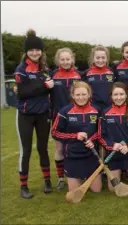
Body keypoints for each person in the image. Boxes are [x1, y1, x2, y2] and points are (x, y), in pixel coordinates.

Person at [14, 29, 54, 199]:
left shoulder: (44, 68)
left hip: (43, 114)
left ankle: (47, 181)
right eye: (31, 50)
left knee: (43, 148)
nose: (35, 52)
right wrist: (43, 87)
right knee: (26, 150)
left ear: (41, 51)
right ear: (26, 52)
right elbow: (22, 92)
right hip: (25, 115)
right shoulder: (21, 69)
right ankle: (23, 186)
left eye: (37, 50)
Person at [51, 81, 102, 193]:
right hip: (72, 156)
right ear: (73, 95)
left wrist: (93, 139)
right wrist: (75, 136)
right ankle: (77, 176)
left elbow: (102, 132)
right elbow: (55, 132)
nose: (81, 97)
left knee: (97, 190)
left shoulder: (96, 110)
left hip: (91, 155)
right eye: (78, 95)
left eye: (84, 94)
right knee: (74, 191)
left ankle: (87, 176)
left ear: (89, 94)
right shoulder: (65, 111)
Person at [98, 82, 128, 190]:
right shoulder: (105, 112)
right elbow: (101, 136)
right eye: (115, 95)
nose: (118, 97)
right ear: (111, 96)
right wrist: (112, 145)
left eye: (121, 94)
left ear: (126, 94)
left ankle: (127, 172)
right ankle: (120, 173)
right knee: (112, 189)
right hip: (114, 155)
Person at [50, 47, 82, 190]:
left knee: (78, 145)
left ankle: (79, 173)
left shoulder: (79, 76)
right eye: (62, 59)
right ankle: (61, 177)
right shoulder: (52, 75)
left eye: (67, 59)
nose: (65, 61)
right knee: (60, 148)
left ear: (72, 60)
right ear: (58, 61)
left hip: (77, 116)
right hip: (58, 117)